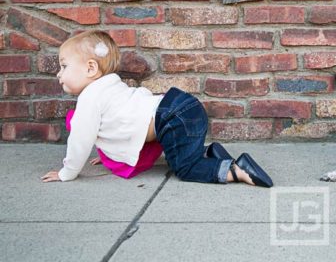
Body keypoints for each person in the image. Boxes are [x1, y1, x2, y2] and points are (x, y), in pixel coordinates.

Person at [41, 30, 273, 187]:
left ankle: (237, 170)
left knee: (185, 169)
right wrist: (111, 151)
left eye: (64, 66)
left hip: (171, 118)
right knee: (178, 156)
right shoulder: (112, 85)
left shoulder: (90, 98)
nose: (59, 74)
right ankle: (209, 154)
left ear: (91, 68)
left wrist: (67, 173)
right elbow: (123, 124)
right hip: (182, 106)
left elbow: (81, 139)